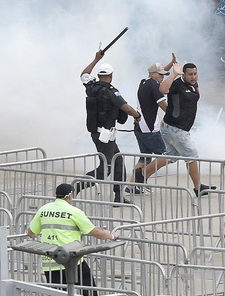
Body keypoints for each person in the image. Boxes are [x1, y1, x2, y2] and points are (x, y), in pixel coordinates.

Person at [27, 183, 120, 296]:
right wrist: (112, 236)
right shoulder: (74, 211)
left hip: (51, 259)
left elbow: (31, 232)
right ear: (70, 196)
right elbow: (94, 231)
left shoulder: (43, 210)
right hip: (72, 259)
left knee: (57, 293)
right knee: (88, 289)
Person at [141, 61, 216, 197]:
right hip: (175, 128)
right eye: (190, 75)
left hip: (177, 128)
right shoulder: (177, 85)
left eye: (195, 74)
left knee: (171, 156)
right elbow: (162, 90)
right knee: (192, 155)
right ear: (184, 75)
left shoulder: (194, 85)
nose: (193, 77)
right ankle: (198, 188)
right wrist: (174, 74)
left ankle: (142, 175)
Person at [78, 51, 142, 203]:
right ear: (111, 76)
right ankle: (76, 187)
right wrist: (137, 116)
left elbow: (84, 74)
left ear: (99, 75)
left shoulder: (91, 87)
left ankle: (119, 196)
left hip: (99, 132)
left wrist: (96, 59)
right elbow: (125, 107)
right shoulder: (111, 92)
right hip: (105, 134)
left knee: (118, 160)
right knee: (106, 168)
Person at [131, 57, 176, 189]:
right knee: (168, 154)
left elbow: (160, 73)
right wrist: (175, 117)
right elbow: (162, 104)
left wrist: (170, 65)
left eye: (163, 74)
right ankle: (142, 177)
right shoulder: (154, 85)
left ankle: (132, 185)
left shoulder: (144, 82)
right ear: (152, 74)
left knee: (144, 158)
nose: (162, 77)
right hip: (149, 129)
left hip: (140, 127)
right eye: (160, 74)